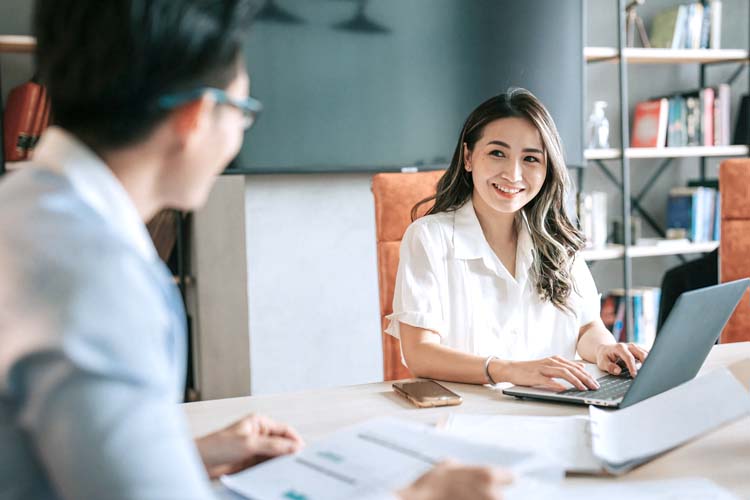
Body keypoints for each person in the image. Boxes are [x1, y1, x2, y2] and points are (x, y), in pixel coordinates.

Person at [0, 1, 511, 499]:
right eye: (244, 111)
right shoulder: (101, 275)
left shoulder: (27, 209)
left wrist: (187, 452)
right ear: (198, 116)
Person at [387, 89, 648, 391]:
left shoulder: (556, 239)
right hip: (467, 417)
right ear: (469, 157)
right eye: (497, 153)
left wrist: (604, 349)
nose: (513, 173)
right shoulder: (429, 238)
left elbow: (587, 327)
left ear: (546, 168)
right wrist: (508, 370)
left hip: (556, 411)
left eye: (530, 159)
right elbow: (419, 354)